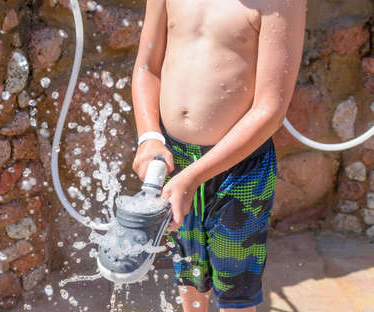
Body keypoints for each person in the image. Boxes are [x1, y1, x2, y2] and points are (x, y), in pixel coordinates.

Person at [131, 0, 306, 311]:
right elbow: (147, 68)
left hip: (240, 170)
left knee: (236, 293)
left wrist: (193, 178)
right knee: (189, 275)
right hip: (176, 160)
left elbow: (271, 110)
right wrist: (149, 137)